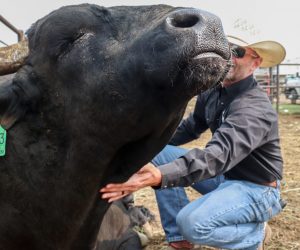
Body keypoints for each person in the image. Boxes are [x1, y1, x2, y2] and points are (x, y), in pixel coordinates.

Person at [100, 35, 286, 250]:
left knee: (192, 223)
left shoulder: (254, 109)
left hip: (256, 188)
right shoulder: (213, 91)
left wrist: (160, 175)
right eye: (226, 49)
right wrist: (143, 145)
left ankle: (255, 235)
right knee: (159, 153)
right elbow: (191, 127)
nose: (229, 56)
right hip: (225, 176)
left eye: (238, 52)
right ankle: (179, 239)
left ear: (256, 62)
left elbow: (218, 156)